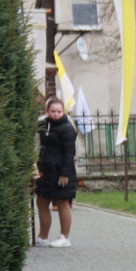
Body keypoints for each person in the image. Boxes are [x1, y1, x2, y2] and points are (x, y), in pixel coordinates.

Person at [35, 97, 77, 248]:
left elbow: (69, 152)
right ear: (47, 112)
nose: (56, 114)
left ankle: (64, 237)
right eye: (52, 111)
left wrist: (65, 173)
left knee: (62, 203)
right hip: (45, 171)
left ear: (63, 111)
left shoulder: (67, 128)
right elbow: (39, 145)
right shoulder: (43, 124)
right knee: (41, 202)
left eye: (59, 111)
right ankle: (42, 237)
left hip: (61, 171)